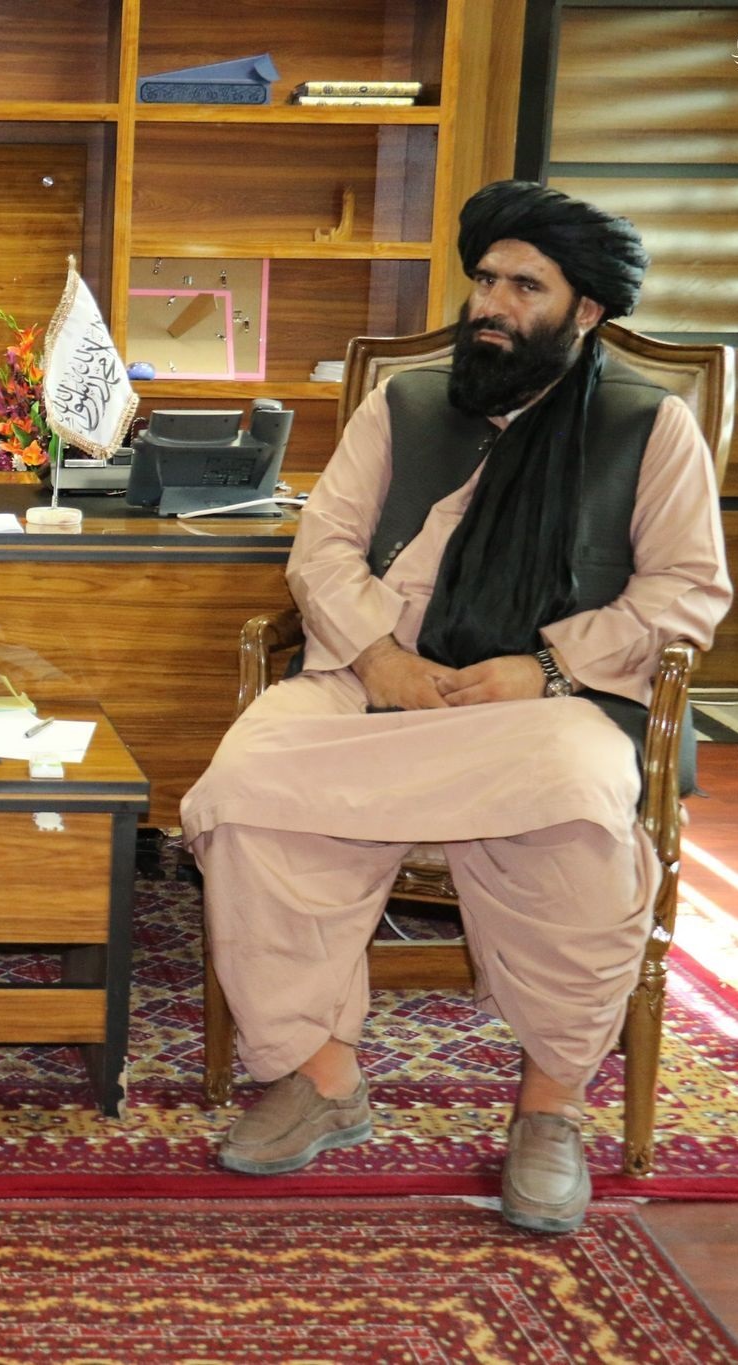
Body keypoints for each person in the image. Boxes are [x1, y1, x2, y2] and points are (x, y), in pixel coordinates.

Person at [181, 180, 730, 1233]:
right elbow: (323, 550)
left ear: (584, 310)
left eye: (524, 286)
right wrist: (378, 656)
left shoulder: (648, 427)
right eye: (484, 279)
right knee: (245, 784)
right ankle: (323, 1077)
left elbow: (683, 592)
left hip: (545, 702)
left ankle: (549, 1110)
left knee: (578, 810)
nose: (491, 304)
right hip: (377, 679)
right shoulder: (405, 405)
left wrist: (549, 664)